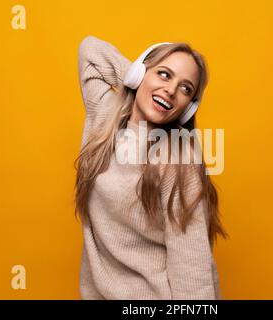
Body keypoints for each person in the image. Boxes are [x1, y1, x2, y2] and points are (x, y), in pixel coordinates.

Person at [74, 35, 228, 299]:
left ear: (188, 108)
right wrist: (135, 76)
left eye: (185, 89)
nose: (171, 90)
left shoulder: (177, 162)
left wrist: (150, 80)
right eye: (165, 75)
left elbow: (192, 266)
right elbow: (90, 50)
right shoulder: (104, 117)